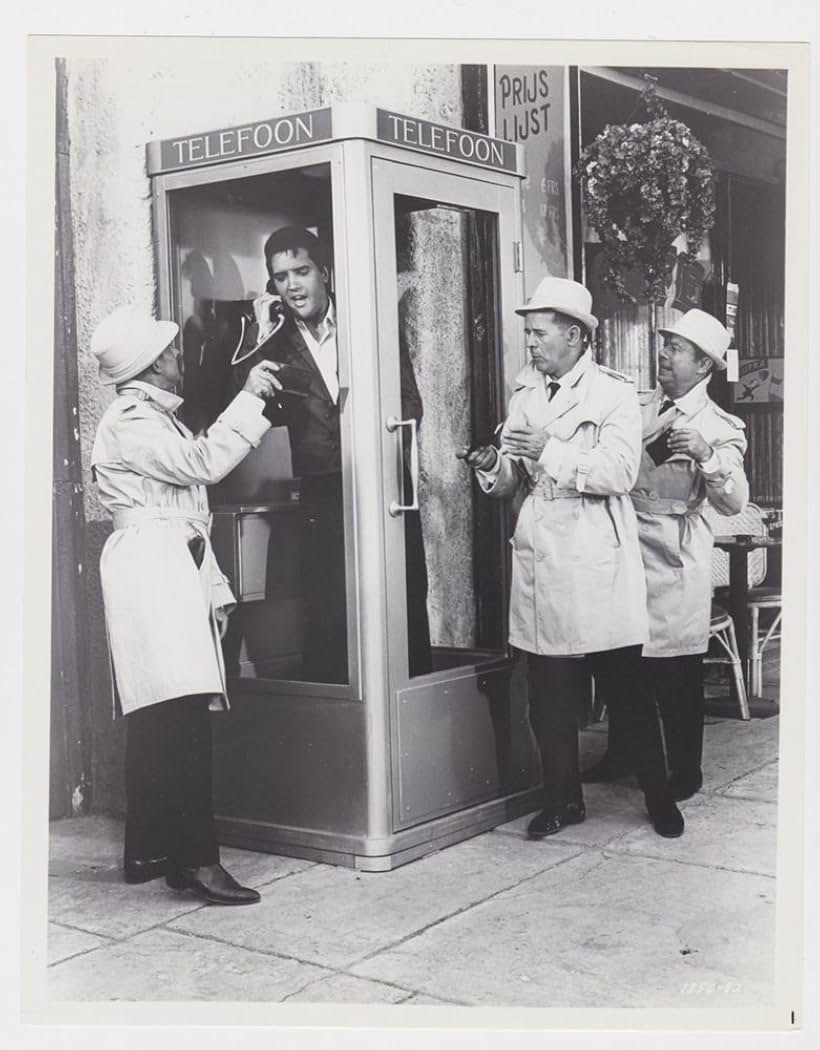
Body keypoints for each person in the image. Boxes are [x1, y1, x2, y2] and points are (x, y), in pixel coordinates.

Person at [461, 277, 684, 839]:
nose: (531, 344)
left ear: (576, 336)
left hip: (596, 550)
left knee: (627, 691)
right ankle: (564, 801)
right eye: (529, 333)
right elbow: (513, 479)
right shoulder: (525, 396)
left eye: (539, 333)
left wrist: (551, 451)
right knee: (549, 698)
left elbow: (619, 474)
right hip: (543, 550)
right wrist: (492, 465)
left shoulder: (613, 394)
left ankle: (660, 798)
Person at [90, 304, 281, 904]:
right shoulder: (132, 420)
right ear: (151, 366)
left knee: (158, 711)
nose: (179, 356)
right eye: (170, 350)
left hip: (165, 563)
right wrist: (249, 399)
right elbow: (203, 466)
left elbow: (185, 513)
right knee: (181, 714)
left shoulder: (149, 419)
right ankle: (197, 862)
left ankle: (148, 850)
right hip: (153, 568)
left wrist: (216, 591)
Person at [228, 226, 431, 682]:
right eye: (281, 277)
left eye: (301, 271)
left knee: (402, 597)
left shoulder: (368, 320)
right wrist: (259, 333)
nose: (293, 285)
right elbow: (235, 401)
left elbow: (411, 401)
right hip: (321, 490)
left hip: (381, 481)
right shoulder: (274, 339)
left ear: (324, 272)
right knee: (328, 606)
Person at [582, 309, 749, 800]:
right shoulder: (633, 408)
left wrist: (706, 454)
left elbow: (733, 500)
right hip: (626, 546)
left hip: (677, 556)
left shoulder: (720, 426)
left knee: (675, 671)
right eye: (664, 345)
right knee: (619, 656)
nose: (664, 355)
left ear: (704, 366)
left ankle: (685, 769)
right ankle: (622, 753)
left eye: (675, 349)